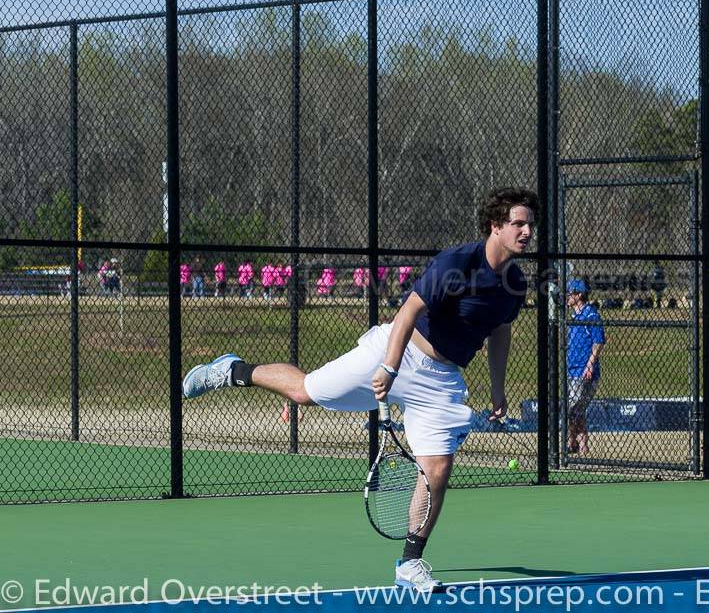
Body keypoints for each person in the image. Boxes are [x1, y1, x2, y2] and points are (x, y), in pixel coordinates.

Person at [181, 187, 538, 591]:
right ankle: (233, 370)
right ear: (496, 226)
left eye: (529, 224)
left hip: (442, 380)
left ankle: (410, 563)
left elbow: (500, 330)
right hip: (397, 351)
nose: (527, 231)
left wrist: (497, 387)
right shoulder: (458, 263)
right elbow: (407, 314)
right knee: (304, 392)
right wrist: (389, 365)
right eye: (518, 223)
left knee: (437, 470)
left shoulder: (516, 283)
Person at [565, 278, 606, 456]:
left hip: (584, 370)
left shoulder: (591, 314)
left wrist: (589, 365)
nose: (567, 297)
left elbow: (598, 341)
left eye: (570, 294)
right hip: (572, 369)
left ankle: (572, 442)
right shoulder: (575, 317)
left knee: (573, 407)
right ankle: (578, 445)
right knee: (576, 409)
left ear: (579, 295)